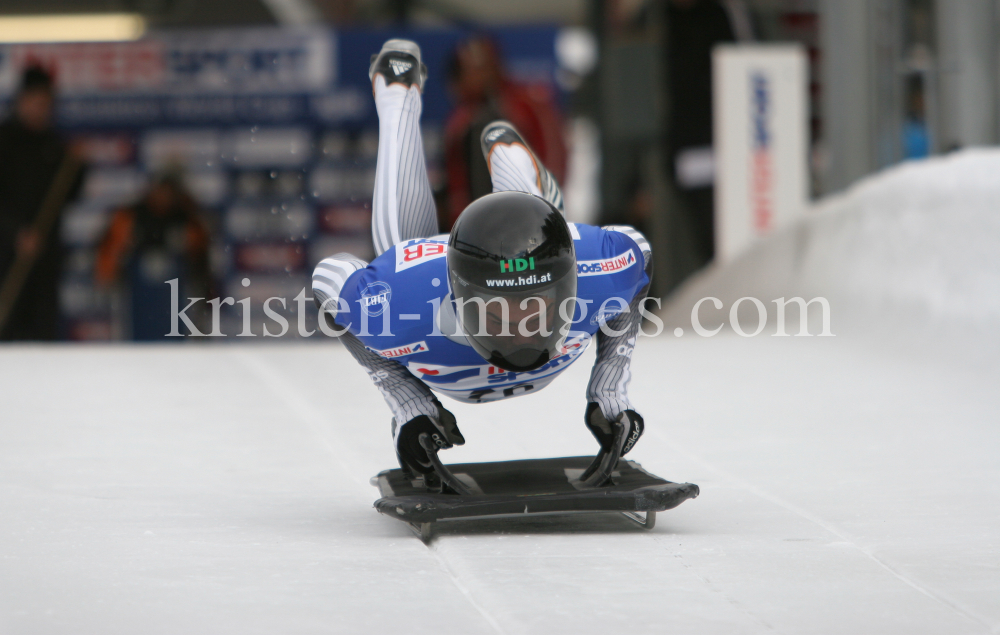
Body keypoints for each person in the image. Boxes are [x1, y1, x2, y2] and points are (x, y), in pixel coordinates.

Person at [312, 40, 651, 477]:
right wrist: (407, 401)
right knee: (395, 249)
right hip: (428, 271)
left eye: (535, 304)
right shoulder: (399, 303)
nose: (522, 325)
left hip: (540, 254)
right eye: (498, 311)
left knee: (537, 228)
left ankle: (517, 171)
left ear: (568, 287)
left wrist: (609, 390)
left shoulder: (599, 273)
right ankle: (397, 91)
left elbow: (636, 252)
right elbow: (329, 280)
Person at [442, 35, 566, 230]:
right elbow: (457, 184)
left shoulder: (528, 103)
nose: (477, 75)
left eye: (482, 66)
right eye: (468, 69)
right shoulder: (460, 122)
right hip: (479, 224)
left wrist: (548, 210)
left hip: (532, 216)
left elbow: (554, 156)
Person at [0, 65, 84, 341]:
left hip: (45, 256)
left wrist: (79, 168)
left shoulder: (54, 146)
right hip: (7, 257)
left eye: (47, 105)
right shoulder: (5, 142)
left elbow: (68, 197)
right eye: (37, 103)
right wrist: (16, 233)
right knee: (8, 330)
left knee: (43, 331)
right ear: (22, 101)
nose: (42, 110)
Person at [95, 173, 211, 340]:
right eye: (159, 191)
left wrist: (204, 292)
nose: (162, 197)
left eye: (168, 192)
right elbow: (110, 250)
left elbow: (201, 256)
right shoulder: (132, 217)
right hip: (136, 298)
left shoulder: (184, 218)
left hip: (176, 300)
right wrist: (106, 277)